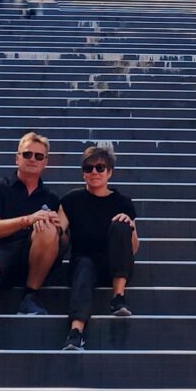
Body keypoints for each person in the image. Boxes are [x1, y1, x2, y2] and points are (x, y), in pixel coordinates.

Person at [0, 132, 67, 351]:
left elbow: (65, 239)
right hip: (1, 254)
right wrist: (27, 220)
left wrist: (59, 228)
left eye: (39, 156)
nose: (33, 159)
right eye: (27, 154)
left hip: (33, 260)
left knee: (48, 228)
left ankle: (30, 296)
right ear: (17, 158)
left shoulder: (51, 198)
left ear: (46, 163)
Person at [57, 143, 138, 351]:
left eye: (100, 168)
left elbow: (134, 248)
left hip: (114, 264)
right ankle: (76, 332)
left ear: (109, 172)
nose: (94, 172)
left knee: (121, 224)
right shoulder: (71, 200)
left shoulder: (123, 202)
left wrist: (128, 224)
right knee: (84, 265)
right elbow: (59, 233)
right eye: (88, 168)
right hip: (83, 263)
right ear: (83, 173)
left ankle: (118, 297)